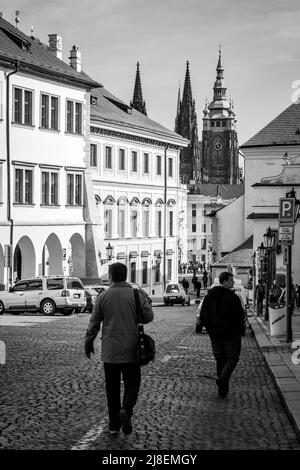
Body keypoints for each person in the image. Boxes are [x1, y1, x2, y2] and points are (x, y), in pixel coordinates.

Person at [84, 262, 154, 435]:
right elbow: (148, 316)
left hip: (110, 350)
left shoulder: (103, 296)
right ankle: (126, 410)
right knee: (132, 383)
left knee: (112, 388)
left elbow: (94, 322)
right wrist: (133, 316)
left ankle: (114, 425)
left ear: (111, 276)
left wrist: (88, 341)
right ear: (126, 275)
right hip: (132, 349)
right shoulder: (136, 295)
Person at [200, 271, 245, 398]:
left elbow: (203, 315)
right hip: (230, 335)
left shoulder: (209, 296)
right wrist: (239, 331)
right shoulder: (232, 297)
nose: (233, 282)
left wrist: (210, 330)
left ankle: (222, 391)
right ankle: (223, 379)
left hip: (215, 335)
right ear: (224, 282)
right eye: (231, 280)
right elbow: (239, 316)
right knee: (232, 359)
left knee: (220, 360)